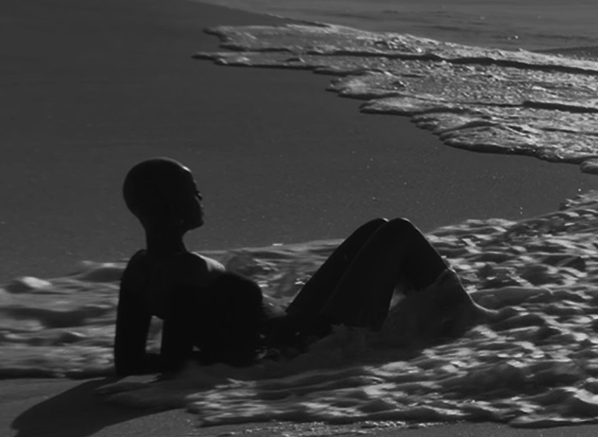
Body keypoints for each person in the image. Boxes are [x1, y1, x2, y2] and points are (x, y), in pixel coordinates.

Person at [114, 158, 489, 377]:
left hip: (293, 330)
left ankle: (448, 319)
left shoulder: (140, 268)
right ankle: (469, 324)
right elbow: (180, 364)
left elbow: (129, 361)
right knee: (400, 233)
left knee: (378, 227)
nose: (200, 197)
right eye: (192, 191)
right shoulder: (189, 270)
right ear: (173, 208)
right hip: (312, 344)